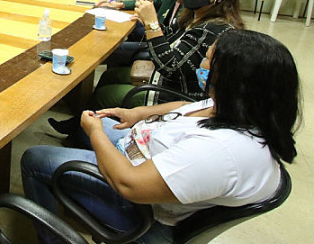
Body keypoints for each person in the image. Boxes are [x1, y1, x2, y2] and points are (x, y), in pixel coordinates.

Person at [23, 30, 300, 244]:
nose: (201, 61)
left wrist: (96, 135)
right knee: (95, 121)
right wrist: (138, 113)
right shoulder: (244, 108)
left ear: (229, 77)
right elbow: (185, 107)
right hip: (142, 149)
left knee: (35, 158)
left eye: (208, 58)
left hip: (140, 210)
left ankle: (53, 238)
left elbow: (129, 185)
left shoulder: (220, 152)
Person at [91, 0, 244, 109]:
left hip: (177, 95)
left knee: (105, 95)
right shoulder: (194, 15)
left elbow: (170, 68)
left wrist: (152, 23)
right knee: (109, 76)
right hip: (164, 80)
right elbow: (170, 36)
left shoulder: (213, 29)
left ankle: (90, 126)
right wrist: (146, 22)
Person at [95, 0, 195, 67]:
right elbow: (152, 2)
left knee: (109, 48)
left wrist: (148, 22)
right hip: (155, 35)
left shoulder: (188, 9)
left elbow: (168, 37)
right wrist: (120, 4)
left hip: (159, 45)